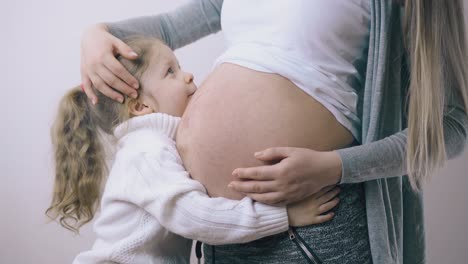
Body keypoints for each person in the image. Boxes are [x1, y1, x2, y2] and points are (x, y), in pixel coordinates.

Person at [79, 0, 468, 263]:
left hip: (316, 220)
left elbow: (452, 125)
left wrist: (336, 166)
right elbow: (165, 26)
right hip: (224, 232)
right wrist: (96, 34)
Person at [46, 36, 342, 264]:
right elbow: (195, 216)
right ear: (140, 106)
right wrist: (283, 216)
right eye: (170, 72)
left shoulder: (155, 144)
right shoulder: (144, 152)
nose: (187, 76)